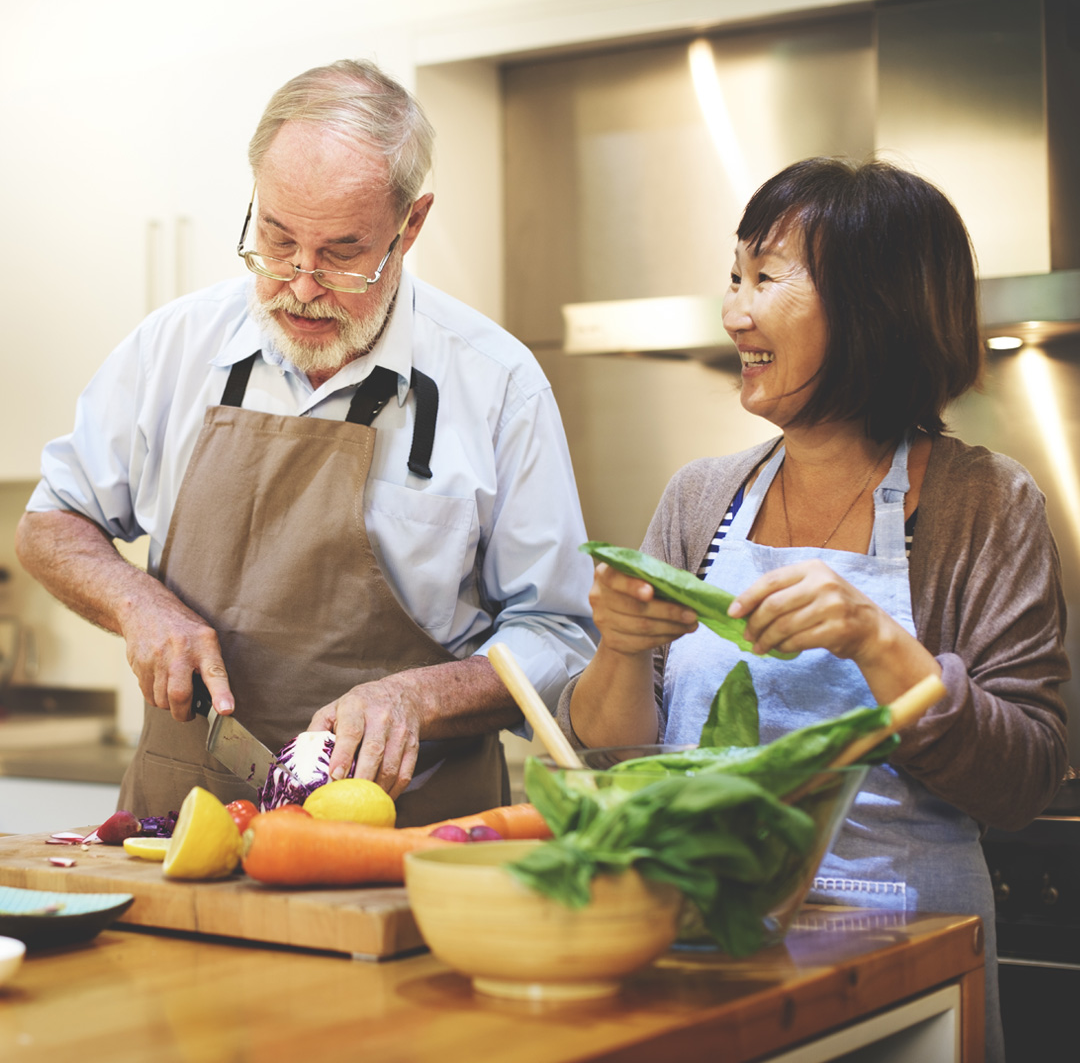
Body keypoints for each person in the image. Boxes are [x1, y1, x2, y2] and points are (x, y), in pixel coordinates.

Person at [558, 157, 1069, 1062]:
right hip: (703, 946)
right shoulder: (700, 496)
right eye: (734, 276)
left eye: (766, 277)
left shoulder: (986, 502)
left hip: (906, 964)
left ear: (874, 307)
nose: (734, 311)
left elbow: (1024, 780)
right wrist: (622, 648)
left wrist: (877, 638)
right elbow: (612, 754)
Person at [16, 59, 596, 828]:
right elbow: (50, 524)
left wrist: (417, 697)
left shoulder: (497, 386)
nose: (301, 282)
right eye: (278, 238)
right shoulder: (173, 348)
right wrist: (140, 607)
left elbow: (560, 633)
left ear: (410, 226)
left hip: (411, 842)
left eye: (343, 252)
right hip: (181, 829)